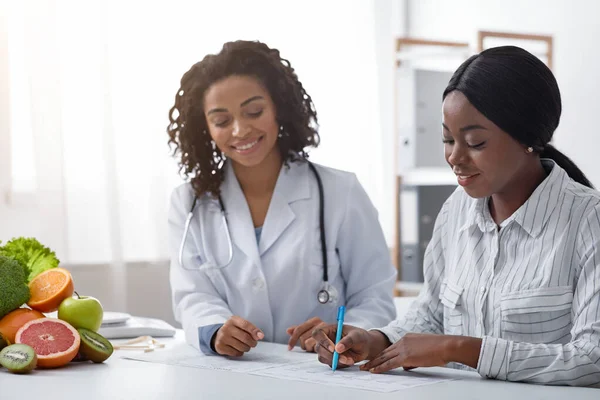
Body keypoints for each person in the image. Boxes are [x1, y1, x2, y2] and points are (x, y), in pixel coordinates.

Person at [312, 45, 600, 387]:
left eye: (475, 142)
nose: (454, 157)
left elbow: (592, 359)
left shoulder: (587, 221)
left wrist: (463, 349)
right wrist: (377, 341)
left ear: (528, 139)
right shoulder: (456, 211)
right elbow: (432, 314)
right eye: (448, 139)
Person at [166, 40, 396, 357]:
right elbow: (192, 295)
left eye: (254, 112)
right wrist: (217, 330)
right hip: (233, 373)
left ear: (279, 108)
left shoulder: (340, 192)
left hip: (323, 373)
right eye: (221, 121)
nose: (239, 130)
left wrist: (343, 336)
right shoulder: (189, 203)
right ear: (204, 128)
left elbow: (374, 295)